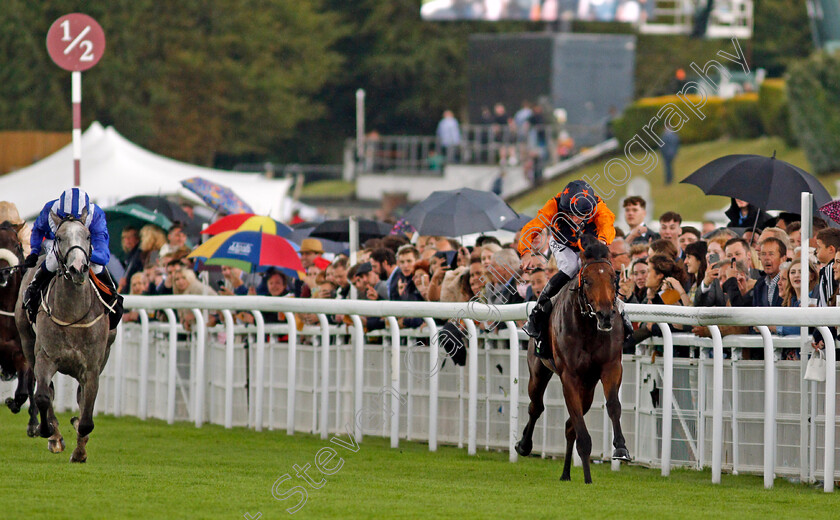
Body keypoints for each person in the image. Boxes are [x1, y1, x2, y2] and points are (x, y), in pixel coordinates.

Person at [518, 179, 631, 357]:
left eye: (581, 214)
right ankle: (539, 310)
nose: (575, 219)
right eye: (570, 214)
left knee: (597, 269)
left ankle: (619, 310)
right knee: (572, 266)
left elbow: (607, 226)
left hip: (590, 241)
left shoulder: (600, 208)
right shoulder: (553, 205)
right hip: (562, 242)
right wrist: (525, 252)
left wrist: (600, 244)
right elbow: (532, 227)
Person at [23, 188, 121, 328]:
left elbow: (104, 255)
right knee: (51, 261)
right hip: (60, 244)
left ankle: (112, 301)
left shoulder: (96, 215)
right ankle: (33, 292)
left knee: (98, 266)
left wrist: (85, 256)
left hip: (85, 245)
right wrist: (34, 251)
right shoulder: (51, 209)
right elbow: (38, 229)